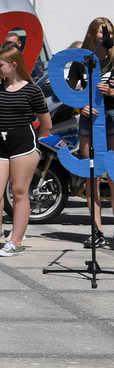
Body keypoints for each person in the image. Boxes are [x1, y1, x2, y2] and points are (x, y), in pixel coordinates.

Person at [0, 46, 51, 257]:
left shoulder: (32, 90)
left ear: (14, 65)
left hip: (24, 146)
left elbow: (46, 124)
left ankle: (15, 242)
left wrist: (32, 141)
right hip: (0, 144)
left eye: (0, 65)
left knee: (19, 192)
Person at [68, 17, 114, 249]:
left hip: (112, 119)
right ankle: (97, 230)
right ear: (92, 34)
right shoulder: (82, 59)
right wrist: (80, 104)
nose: (107, 35)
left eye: (110, 31)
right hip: (89, 120)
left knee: (113, 175)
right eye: (103, 31)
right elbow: (68, 91)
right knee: (91, 175)